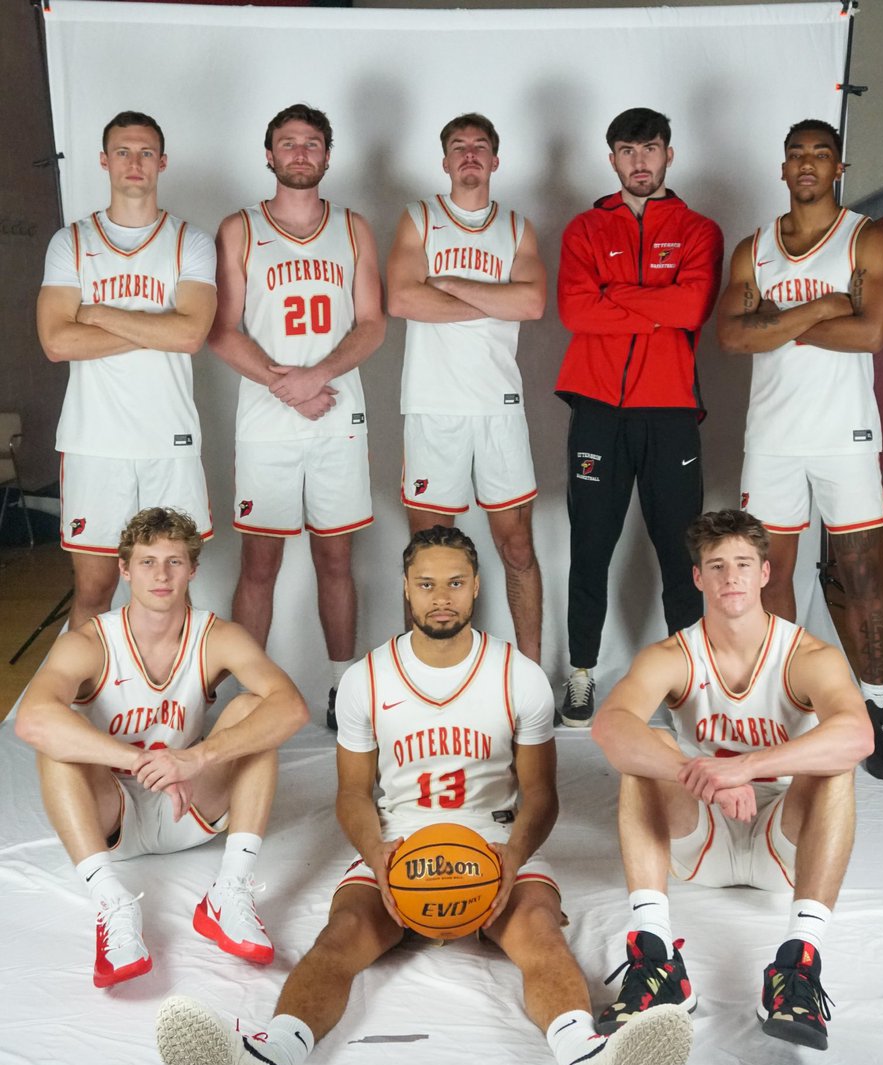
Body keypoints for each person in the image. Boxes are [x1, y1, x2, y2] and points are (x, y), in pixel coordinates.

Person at [154, 525, 692, 1065]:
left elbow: (540, 794)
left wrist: (514, 858)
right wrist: (378, 857)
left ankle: (585, 1064)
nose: (442, 597)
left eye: (456, 583)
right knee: (339, 939)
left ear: (477, 588)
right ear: (407, 590)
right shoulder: (368, 679)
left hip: (492, 845)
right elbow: (353, 794)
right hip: (398, 846)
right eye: (428, 584)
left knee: (541, 935)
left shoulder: (517, 676)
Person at [591, 509, 873, 1052]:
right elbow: (609, 726)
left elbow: (860, 736)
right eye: (716, 566)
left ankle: (798, 963)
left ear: (765, 573)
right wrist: (701, 775)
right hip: (702, 832)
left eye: (743, 564)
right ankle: (655, 957)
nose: (730, 578)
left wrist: (744, 766)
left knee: (835, 765)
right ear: (697, 577)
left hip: (782, 843)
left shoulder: (806, 655)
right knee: (648, 751)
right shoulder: (674, 654)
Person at [14, 508, 310, 988]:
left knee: (258, 710)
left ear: (193, 570)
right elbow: (31, 718)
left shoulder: (217, 635)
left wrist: (193, 758)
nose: (161, 574)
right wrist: (137, 760)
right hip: (113, 814)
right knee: (55, 738)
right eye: (148, 562)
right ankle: (111, 902)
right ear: (124, 569)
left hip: (188, 803)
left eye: (174, 561)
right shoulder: (90, 642)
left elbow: (291, 708)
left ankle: (229, 890)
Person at [717, 119, 883, 780]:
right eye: (796, 153)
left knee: (861, 578)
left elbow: (873, 332)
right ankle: (790, 711)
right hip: (772, 438)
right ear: (782, 168)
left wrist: (775, 324)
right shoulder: (754, 248)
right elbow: (732, 339)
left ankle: (878, 707)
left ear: (838, 170)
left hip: (842, 437)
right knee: (770, 581)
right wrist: (823, 307)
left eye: (820, 153)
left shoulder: (865, 238)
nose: (807, 163)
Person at [208, 103, 386, 730]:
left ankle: (342, 690)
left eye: (313, 143)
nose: (301, 153)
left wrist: (318, 376)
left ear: (328, 156)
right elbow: (220, 330)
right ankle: (248, 696)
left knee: (336, 559)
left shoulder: (354, 227)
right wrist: (288, 386)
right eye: (289, 143)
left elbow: (372, 324)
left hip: (336, 413)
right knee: (260, 564)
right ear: (269, 155)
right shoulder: (240, 228)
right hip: (268, 418)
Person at [555, 107, 723, 727]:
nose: (639, 162)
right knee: (590, 545)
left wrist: (615, 296)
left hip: (671, 407)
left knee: (683, 551)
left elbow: (692, 305)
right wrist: (656, 304)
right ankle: (581, 674)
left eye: (650, 149)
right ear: (612, 159)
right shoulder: (583, 229)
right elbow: (577, 313)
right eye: (627, 151)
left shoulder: (699, 229)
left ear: (669, 155)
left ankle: (689, 684)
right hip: (598, 406)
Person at [36, 112, 217, 632]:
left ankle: (172, 709)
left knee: (172, 590)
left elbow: (190, 335)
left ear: (162, 162)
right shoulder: (71, 242)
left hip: (169, 440)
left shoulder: (190, 241)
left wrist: (96, 314)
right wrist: (153, 325)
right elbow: (56, 342)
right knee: (93, 590)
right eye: (122, 152)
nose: (133, 163)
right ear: (103, 161)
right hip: (96, 441)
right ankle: (85, 706)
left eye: (144, 153)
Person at [387, 113, 546, 663]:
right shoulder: (419, 219)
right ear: (446, 161)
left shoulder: (518, 228)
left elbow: (531, 304)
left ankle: (528, 674)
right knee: (426, 557)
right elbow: (403, 300)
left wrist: (449, 284)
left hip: (498, 407)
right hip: (434, 405)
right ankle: (422, 671)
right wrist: (491, 297)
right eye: (459, 147)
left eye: (480, 146)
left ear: (496, 160)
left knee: (517, 547)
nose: (470, 154)